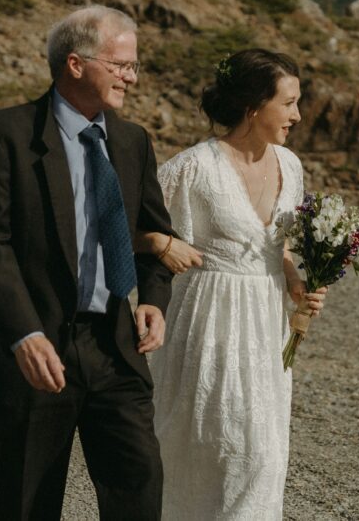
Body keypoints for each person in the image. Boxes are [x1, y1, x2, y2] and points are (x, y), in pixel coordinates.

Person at [0, 5, 175, 520]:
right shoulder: (2, 135)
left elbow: (155, 235)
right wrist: (23, 334)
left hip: (116, 349)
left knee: (139, 490)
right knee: (24, 503)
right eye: (121, 65)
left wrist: (154, 300)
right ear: (75, 64)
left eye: (134, 66)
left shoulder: (132, 140)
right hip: (35, 351)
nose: (131, 77)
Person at [137, 49, 326, 520]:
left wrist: (296, 282)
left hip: (266, 326)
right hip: (207, 322)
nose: (298, 115)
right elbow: (129, 226)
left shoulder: (291, 166)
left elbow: (277, 247)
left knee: (262, 455)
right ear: (253, 106)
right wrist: (163, 244)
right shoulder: (193, 168)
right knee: (206, 451)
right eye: (289, 103)